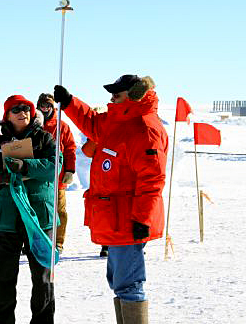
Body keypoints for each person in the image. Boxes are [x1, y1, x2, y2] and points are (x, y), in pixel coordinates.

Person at [54, 75, 168, 324]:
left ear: (135, 93)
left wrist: (142, 219)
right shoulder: (118, 119)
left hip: (129, 220)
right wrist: (70, 102)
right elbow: (92, 123)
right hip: (114, 218)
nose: (112, 96)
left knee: (128, 284)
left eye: (118, 92)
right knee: (119, 281)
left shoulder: (144, 128)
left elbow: (152, 180)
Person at [0, 95, 59, 324]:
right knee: (3, 278)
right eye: (16, 109)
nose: (23, 112)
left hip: (39, 220)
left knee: (43, 280)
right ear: (6, 116)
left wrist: (25, 166)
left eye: (26, 108)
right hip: (7, 220)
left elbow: (55, 166)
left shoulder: (45, 139)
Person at [36, 93, 77, 253]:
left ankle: (57, 243)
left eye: (48, 104)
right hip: (37, 177)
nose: (45, 108)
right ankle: (36, 241)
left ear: (53, 106)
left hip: (58, 178)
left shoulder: (62, 126)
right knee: (37, 210)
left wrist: (70, 170)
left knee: (59, 211)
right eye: (42, 104)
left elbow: (70, 149)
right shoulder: (33, 124)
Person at [81, 137, 108, 258]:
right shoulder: (99, 127)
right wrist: (98, 135)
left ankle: (132, 245)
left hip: (123, 172)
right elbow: (87, 151)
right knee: (103, 210)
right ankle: (106, 244)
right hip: (102, 175)